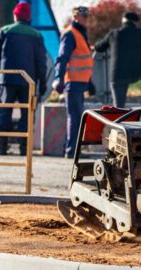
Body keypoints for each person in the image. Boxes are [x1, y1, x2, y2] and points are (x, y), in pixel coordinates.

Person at [0, 1, 47, 156]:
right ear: (29, 18)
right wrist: (42, 83)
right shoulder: (36, 35)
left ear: (15, 15)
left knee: (4, 112)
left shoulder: (4, 31)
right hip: (28, 81)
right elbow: (41, 62)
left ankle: (1, 147)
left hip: (7, 80)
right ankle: (24, 148)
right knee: (27, 114)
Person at [53, 6, 95, 158]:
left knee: (77, 117)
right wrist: (59, 79)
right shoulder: (70, 34)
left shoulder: (80, 34)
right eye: (83, 16)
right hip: (72, 82)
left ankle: (72, 149)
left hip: (79, 83)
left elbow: (84, 60)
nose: (86, 19)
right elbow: (62, 58)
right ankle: (72, 151)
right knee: (75, 117)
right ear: (75, 16)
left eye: (87, 16)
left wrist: (90, 83)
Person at [94, 12, 141, 108]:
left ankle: (118, 118)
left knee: (118, 107)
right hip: (136, 73)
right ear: (136, 22)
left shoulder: (114, 33)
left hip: (118, 75)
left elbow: (99, 47)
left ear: (123, 21)